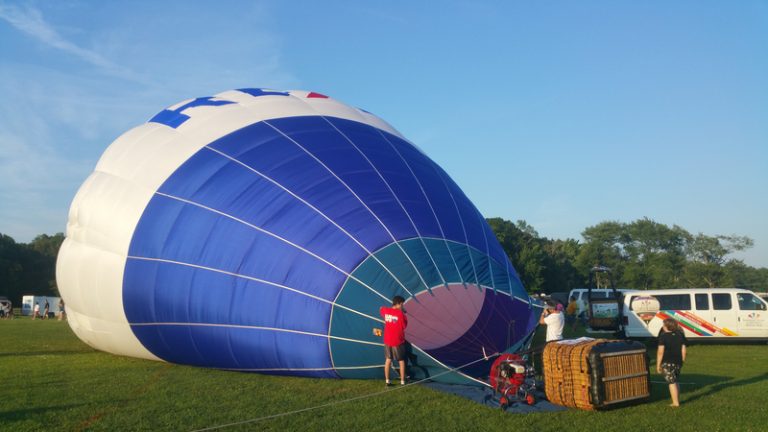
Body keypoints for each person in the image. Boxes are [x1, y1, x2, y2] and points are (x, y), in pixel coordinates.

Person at [657, 318, 687, 407]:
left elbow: (660, 352)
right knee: (675, 380)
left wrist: (658, 365)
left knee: (671, 382)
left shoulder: (663, 336)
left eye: (663, 325)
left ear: (666, 326)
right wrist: (682, 360)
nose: (663, 326)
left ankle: (675, 402)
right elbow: (684, 349)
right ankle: (677, 400)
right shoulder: (680, 335)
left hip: (667, 362)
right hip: (678, 361)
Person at [380, 295, 408, 386]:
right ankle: (403, 381)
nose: (403, 306)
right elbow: (404, 326)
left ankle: (387, 380)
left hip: (388, 340)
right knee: (401, 361)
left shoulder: (385, 311)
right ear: (399, 304)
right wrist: (402, 313)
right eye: (402, 305)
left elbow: (381, 309)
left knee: (388, 360)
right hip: (397, 341)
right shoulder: (400, 314)